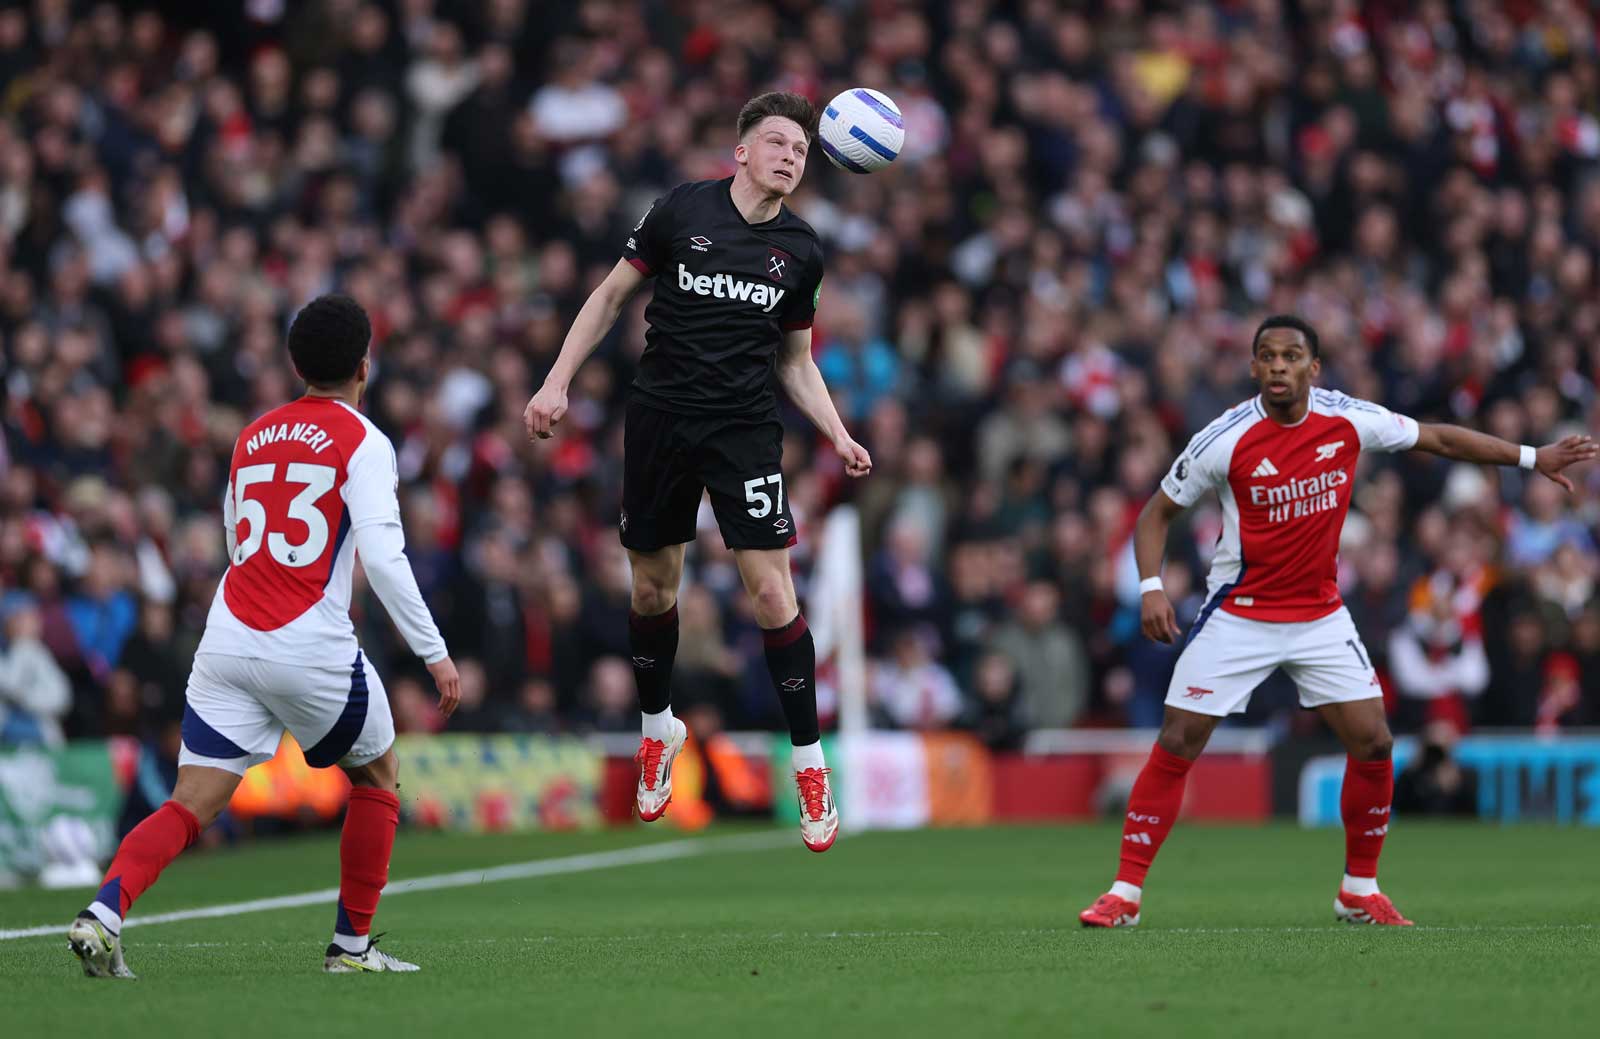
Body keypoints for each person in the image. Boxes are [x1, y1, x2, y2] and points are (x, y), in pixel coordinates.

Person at [1078, 314, 1596, 929]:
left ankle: (1358, 889)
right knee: (1178, 741)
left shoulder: (1349, 418)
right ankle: (1125, 894)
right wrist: (1151, 588)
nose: (1278, 366)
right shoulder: (1224, 438)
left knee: (1374, 742)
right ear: (1253, 368)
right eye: (1266, 356)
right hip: (1239, 613)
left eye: (1291, 356)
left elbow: (1439, 439)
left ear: (1313, 369)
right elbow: (1154, 516)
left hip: (1320, 613)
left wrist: (1532, 457)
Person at [66, 295, 461, 977]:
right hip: (306, 641)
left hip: (228, 635)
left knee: (193, 800)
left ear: (293, 363)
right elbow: (385, 556)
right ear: (365, 364)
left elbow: (232, 534)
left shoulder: (254, 434)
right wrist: (435, 652)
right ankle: (352, 947)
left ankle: (104, 910)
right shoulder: (365, 441)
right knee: (378, 774)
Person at [523, 92, 872, 852]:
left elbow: (797, 361)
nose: (791, 155)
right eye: (777, 142)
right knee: (653, 586)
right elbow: (611, 295)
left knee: (773, 591)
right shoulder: (682, 211)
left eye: (802, 150)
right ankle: (658, 729)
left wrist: (839, 433)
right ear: (741, 151)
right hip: (660, 419)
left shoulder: (802, 251)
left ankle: (810, 763)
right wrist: (558, 379)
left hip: (745, 431)